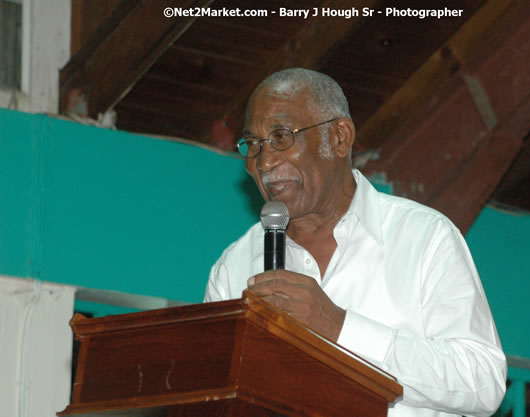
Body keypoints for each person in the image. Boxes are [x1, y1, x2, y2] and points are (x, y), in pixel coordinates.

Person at [205, 68, 507, 416]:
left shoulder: (423, 237)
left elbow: (483, 382)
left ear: (339, 137)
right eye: (253, 145)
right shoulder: (234, 266)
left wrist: (337, 326)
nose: (265, 161)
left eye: (281, 137)